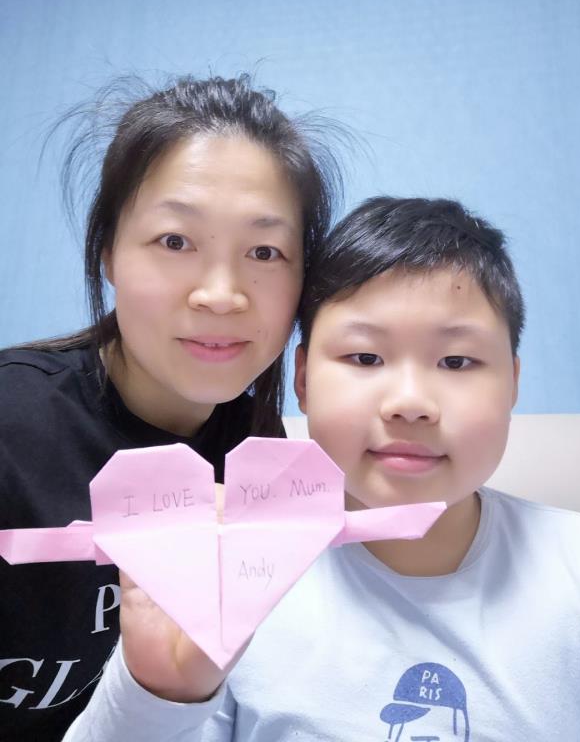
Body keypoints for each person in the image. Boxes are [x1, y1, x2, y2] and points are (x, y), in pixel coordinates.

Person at [64, 196, 580, 741]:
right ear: (302, 379)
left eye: (456, 361)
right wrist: (161, 692)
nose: (409, 403)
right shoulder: (235, 576)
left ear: (513, 382)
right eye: (365, 358)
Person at [0, 74, 342, 742]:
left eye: (265, 251)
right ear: (108, 252)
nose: (221, 294)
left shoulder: (260, 457)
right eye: (176, 241)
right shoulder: (13, 429)